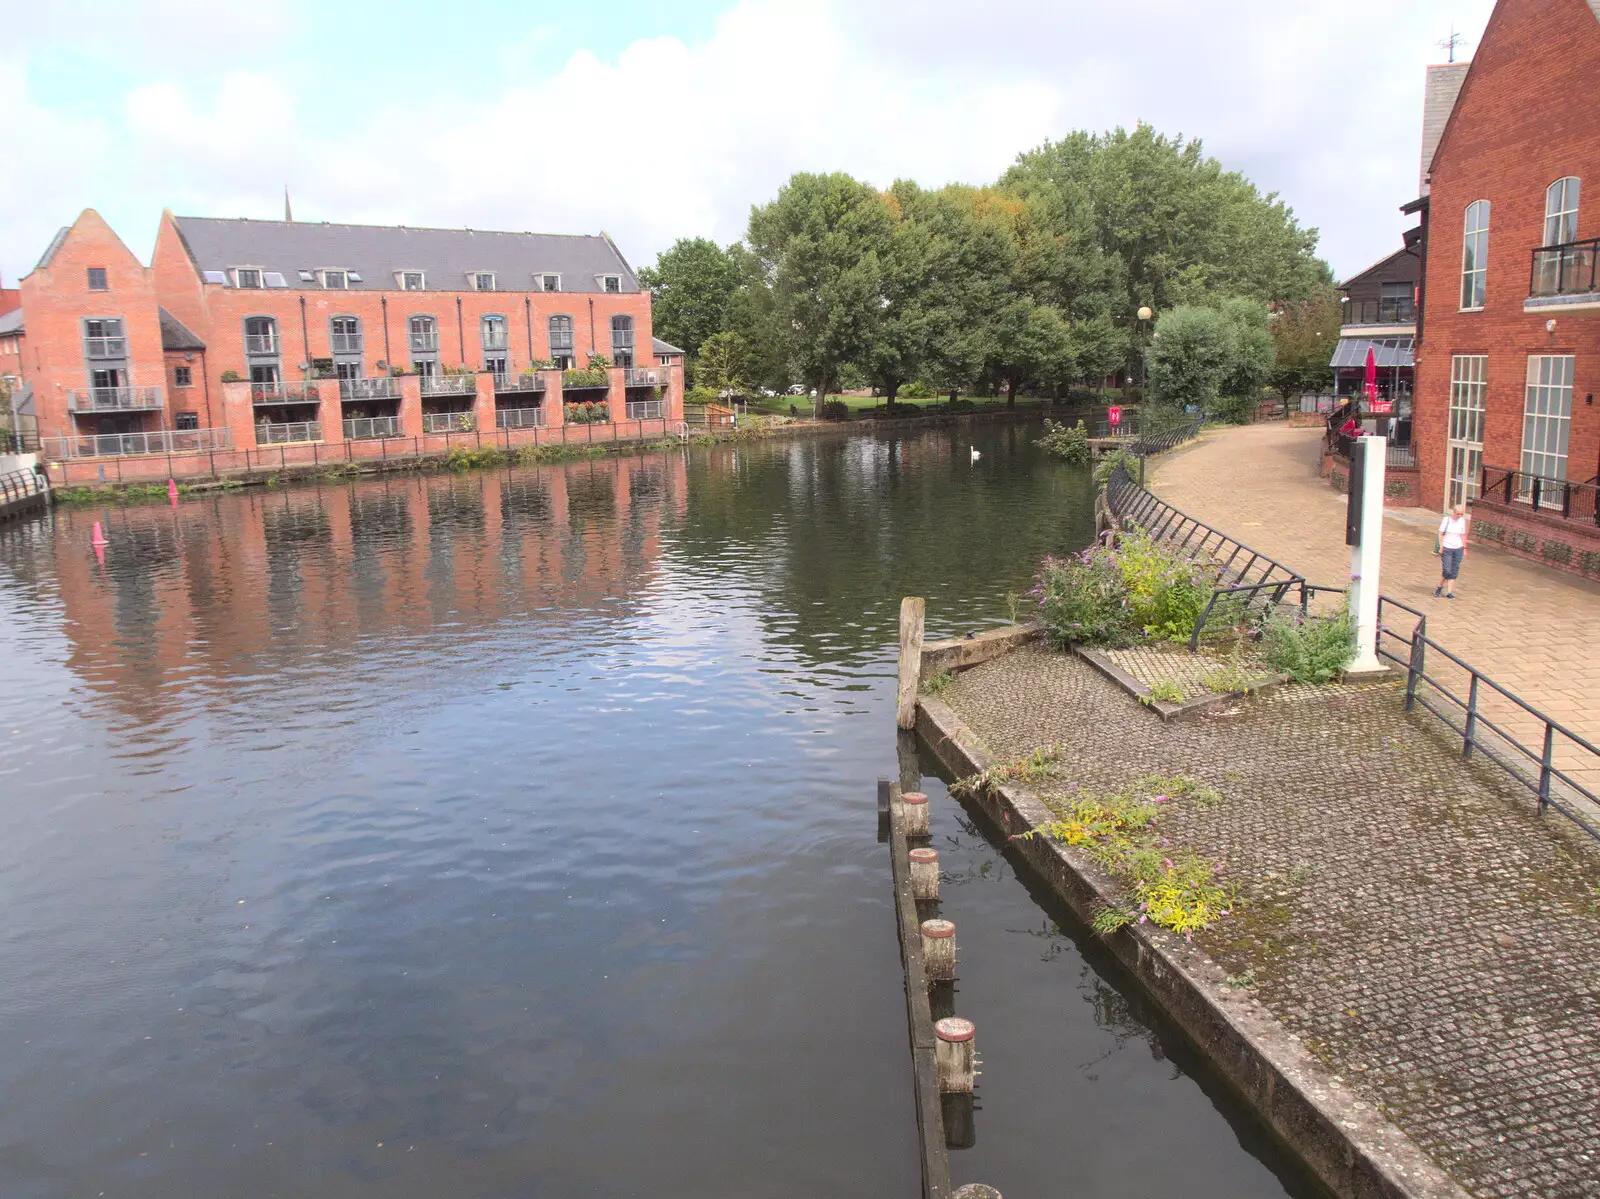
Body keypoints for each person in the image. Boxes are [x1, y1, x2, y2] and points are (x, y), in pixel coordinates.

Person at [1435, 502, 1470, 598]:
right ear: (1453, 512)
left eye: (1461, 514)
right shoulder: (1447, 520)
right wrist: (1441, 546)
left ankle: (1449, 592)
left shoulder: (1462, 521)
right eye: (1458, 513)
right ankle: (1440, 586)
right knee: (1447, 570)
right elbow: (1440, 533)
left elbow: (1463, 535)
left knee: (1454, 570)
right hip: (1447, 547)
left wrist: (1464, 548)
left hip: (1458, 548)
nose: (1459, 516)